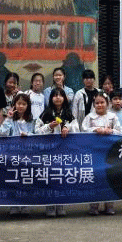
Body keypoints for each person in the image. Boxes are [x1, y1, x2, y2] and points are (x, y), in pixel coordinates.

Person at [35, 87, 79, 217]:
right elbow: (36, 131)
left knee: (62, 177)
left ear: (64, 98)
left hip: (64, 151)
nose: (58, 98)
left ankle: (61, 204)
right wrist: (49, 126)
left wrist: (67, 127)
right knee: (50, 177)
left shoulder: (69, 114)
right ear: (51, 98)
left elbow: (77, 128)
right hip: (49, 151)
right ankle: (50, 205)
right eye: (55, 95)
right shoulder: (46, 113)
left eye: (60, 95)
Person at [82, 92, 122, 215]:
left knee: (109, 178)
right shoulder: (89, 117)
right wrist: (95, 130)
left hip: (109, 153)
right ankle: (94, 205)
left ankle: (109, 205)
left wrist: (111, 131)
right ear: (94, 105)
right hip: (94, 153)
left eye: (102, 102)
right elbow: (83, 130)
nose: (99, 105)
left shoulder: (113, 117)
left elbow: (120, 132)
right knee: (95, 178)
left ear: (107, 103)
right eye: (97, 103)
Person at [0, 92, 35, 216]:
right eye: (18, 103)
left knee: (25, 180)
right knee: (13, 180)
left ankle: (25, 205)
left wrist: (28, 135)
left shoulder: (32, 120)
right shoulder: (10, 119)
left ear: (27, 106)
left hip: (27, 155)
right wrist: (8, 118)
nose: (21, 106)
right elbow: (2, 133)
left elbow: (37, 135)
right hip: (12, 155)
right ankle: (13, 205)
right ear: (14, 105)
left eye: (24, 104)